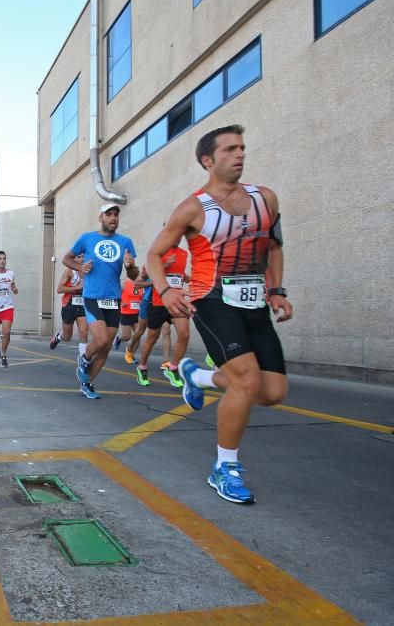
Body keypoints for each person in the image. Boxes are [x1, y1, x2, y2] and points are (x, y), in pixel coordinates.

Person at [147, 124, 292, 505]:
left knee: (272, 392)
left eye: (242, 148)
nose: (240, 155)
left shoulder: (266, 199)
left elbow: (273, 249)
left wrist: (276, 291)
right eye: (230, 149)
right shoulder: (194, 207)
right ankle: (224, 468)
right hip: (211, 299)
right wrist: (166, 289)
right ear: (208, 161)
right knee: (245, 383)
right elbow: (154, 254)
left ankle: (198, 375)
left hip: (254, 301)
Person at [62, 203, 138, 399]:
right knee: (101, 340)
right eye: (109, 214)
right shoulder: (87, 238)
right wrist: (81, 268)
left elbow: (134, 274)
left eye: (116, 215)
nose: (113, 218)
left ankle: (87, 384)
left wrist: (130, 266)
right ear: (101, 218)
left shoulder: (125, 242)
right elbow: (66, 259)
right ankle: (85, 359)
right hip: (93, 297)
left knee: (105, 348)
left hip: (114, 299)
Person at [134, 247, 191, 388]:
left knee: (184, 334)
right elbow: (145, 277)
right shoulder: (156, 253)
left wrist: (190, 278)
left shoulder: (184, 253)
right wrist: (165, 265)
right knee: (152, 337)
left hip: (177, 301)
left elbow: (179, 275)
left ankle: (173, 368)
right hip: (158, 302)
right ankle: (142, 367)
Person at [49, 254, 88, 351]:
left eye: (83, 256)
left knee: (84, 333)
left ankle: (83, 360)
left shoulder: (87, 272)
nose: (82, 259)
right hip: (69, 306)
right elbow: (59, 289)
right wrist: (77, 287)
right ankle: (58, 337)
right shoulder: (69, 272)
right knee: (67, 337)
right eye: (79, 257)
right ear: (73, 259)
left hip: (83, 305)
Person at [113, 276, 144, 352]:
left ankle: (130, 355)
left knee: (137, 336)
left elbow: (142, 297)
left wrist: (141, 302)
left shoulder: (140, 285)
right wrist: (120, 304)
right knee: (127, 337)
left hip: (137, 313)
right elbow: (115, 295)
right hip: (126, 313)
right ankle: (119, 338)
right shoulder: (125, 284)